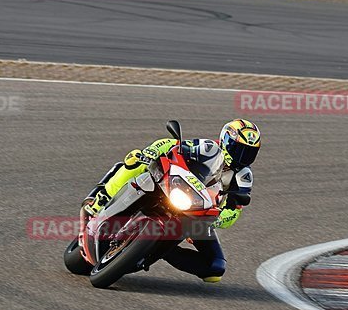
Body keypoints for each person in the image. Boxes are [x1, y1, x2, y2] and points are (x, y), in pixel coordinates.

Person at [82, 119, 261, 283]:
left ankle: (157, 250)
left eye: (249, 153)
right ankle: (101, 198)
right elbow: (173, 145)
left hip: (200, 214)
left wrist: (215, 221)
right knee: (135, 162)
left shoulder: (244, 176)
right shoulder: (208, 148)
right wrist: (151, 153)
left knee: (214, 268)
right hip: (174, 187)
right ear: (226, 140)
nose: (243, 156)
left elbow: (235, 210)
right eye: (239, 149)